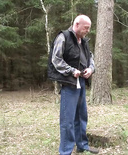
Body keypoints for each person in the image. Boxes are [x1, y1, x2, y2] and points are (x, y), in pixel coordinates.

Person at [48, 15, 99, 155]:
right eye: (86, 27)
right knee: (67, 119)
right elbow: (56, 59)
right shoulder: (63, 37)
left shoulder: (83, 41)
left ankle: (82, 145)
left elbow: (90, 58)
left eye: (89, 28)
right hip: (68, 83)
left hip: (81, 82)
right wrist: (71, 71)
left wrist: (91, 69)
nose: (88, 30)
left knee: (82, 116)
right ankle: (65, 151)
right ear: (77, 24)